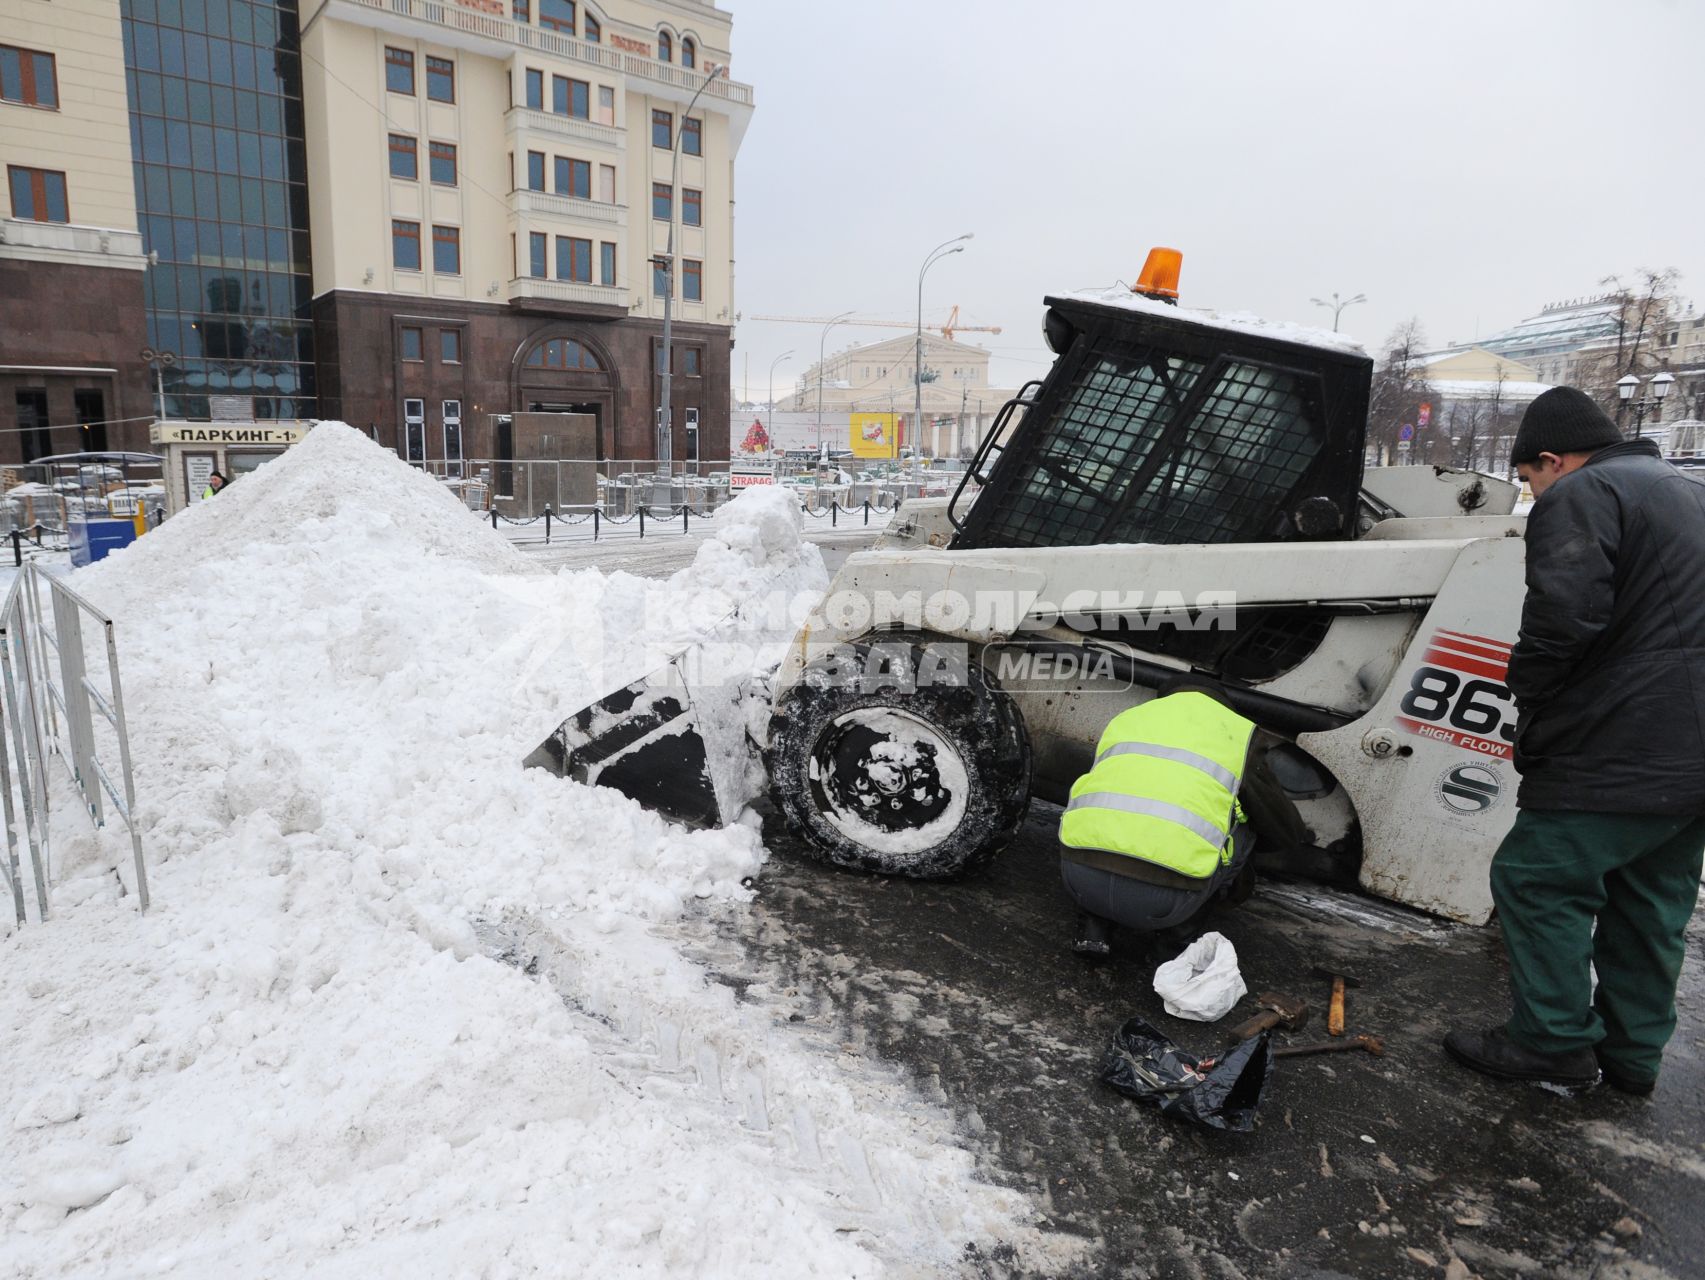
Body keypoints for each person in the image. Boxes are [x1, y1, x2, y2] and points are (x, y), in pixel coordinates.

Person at [1445, 386, 1705, 1095]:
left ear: (1551, 460)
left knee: (1536, 880)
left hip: (1621, 743)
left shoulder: (1585, 493)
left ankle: (1551, 1041)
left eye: (1528, 480)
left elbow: (1562, 619)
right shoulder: (1687, 493)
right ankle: (1630, 1057)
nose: (1532, 493)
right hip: (1690, 757)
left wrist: (1528, 697)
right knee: (1648, 901)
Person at [1057, 679, 1301, 957]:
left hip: (1079, 879)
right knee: (1246, 821)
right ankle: (1176, 941)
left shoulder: (1128, 718)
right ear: (1223, 706)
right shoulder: (1239, 734)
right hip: (1165, 905)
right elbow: (1281, 826)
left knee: (1110, 806)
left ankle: (1094, 927)